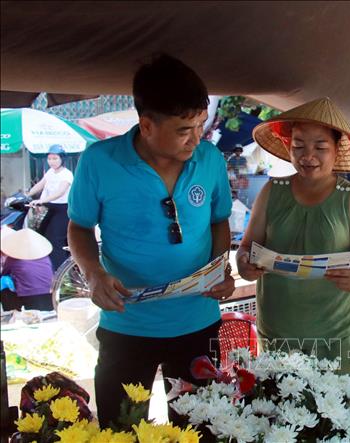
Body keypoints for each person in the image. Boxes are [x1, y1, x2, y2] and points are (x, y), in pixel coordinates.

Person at [67, 54, 235, 427]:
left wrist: (219, 268)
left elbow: (219, 221)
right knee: (120, 429)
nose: (196, 138)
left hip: (197, 322)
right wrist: (94, 274)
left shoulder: (210, 160)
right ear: (146, 125)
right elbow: (78, 227)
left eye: (201, 125)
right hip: (127, 324)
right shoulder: (99, 161)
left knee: (200, 430)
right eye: (183, 130)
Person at [238, 97, 350, 375]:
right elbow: (246, 248)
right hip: (278, 337)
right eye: (298, 146)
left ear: (337, 150)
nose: (308, 156)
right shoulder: (271, 191)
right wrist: (244, 262)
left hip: (337, 339)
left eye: (320, 147)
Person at [26, 144, 73, 271]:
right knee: (41, 235)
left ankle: (59, 272)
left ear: (62, 159)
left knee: (56, 240)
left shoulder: (66, 174)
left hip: (63, 210)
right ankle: (44, 269)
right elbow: (40, 185)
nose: (51, 161)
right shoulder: (50, 173)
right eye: (49, 159)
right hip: (51, 209)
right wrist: (26, 195)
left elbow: (60, 192)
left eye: (55, 158)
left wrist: (41, 200)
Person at [0, 228, 54, 311]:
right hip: (49, 293)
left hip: (28, 296)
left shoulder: (13, 258)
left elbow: (4, 274)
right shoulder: (44, 256)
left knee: (4, 283)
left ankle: (11, 312)